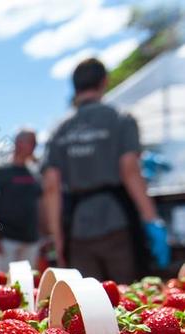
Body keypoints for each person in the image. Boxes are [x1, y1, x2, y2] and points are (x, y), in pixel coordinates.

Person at [42, 58, 169, 283]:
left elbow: (51, 187)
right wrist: (152, 220)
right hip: (117, 222)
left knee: (88, 306)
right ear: (104, 82)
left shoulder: (59, 131)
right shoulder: (120, 119)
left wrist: (57, 239)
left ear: (75, 86)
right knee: (128, 298)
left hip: (78, 230)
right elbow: (130, 170)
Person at [0, 129, 42, 270]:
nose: (35, 146)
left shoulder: (35, 173)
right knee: (2, 284)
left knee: (28, 285)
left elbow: (41, 203)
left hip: (31, 240)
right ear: (19, 143)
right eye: (32, 142)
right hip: (6, 240)